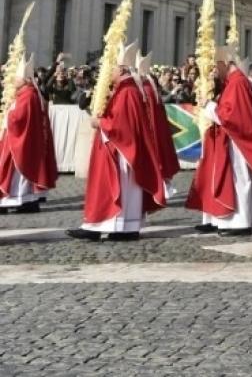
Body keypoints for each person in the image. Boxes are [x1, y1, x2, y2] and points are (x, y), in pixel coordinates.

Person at [67, 43, 167, 241]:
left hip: (120, 149)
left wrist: (100, 122)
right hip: (119, 148)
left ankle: (104, 226)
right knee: (125, 188)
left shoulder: (128, 91)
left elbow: (122, 125)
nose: (106, 72)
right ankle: (123, 228)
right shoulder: (123, 88)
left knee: (115, 187)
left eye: (110, 68)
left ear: (121, 69)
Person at [185, 44, 252, 236]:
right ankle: (224, 219)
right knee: (227, 178)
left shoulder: (238, 83)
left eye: (216, 66)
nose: (215, 71)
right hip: (228, 139)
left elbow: (233, 117)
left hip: (237, 141)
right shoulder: (233, 82)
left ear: (224, 63)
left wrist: (210, 106)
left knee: (239, 179)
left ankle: (241, 222)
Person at [0, 53, 58, 213]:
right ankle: (24, 201)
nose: (13, 80)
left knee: (19, 173)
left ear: (25, 80)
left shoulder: (28, 95)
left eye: (17, 78)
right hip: (21, 138)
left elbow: (20, 117)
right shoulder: (27, 94)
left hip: (21, 140)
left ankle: (20, 200)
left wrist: (8, 114)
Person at [135, 53, 181, 197]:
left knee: (157, 156)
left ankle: (161, 185)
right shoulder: (145, 84)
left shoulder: (148, 84)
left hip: (152, 127)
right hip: (150, 127)